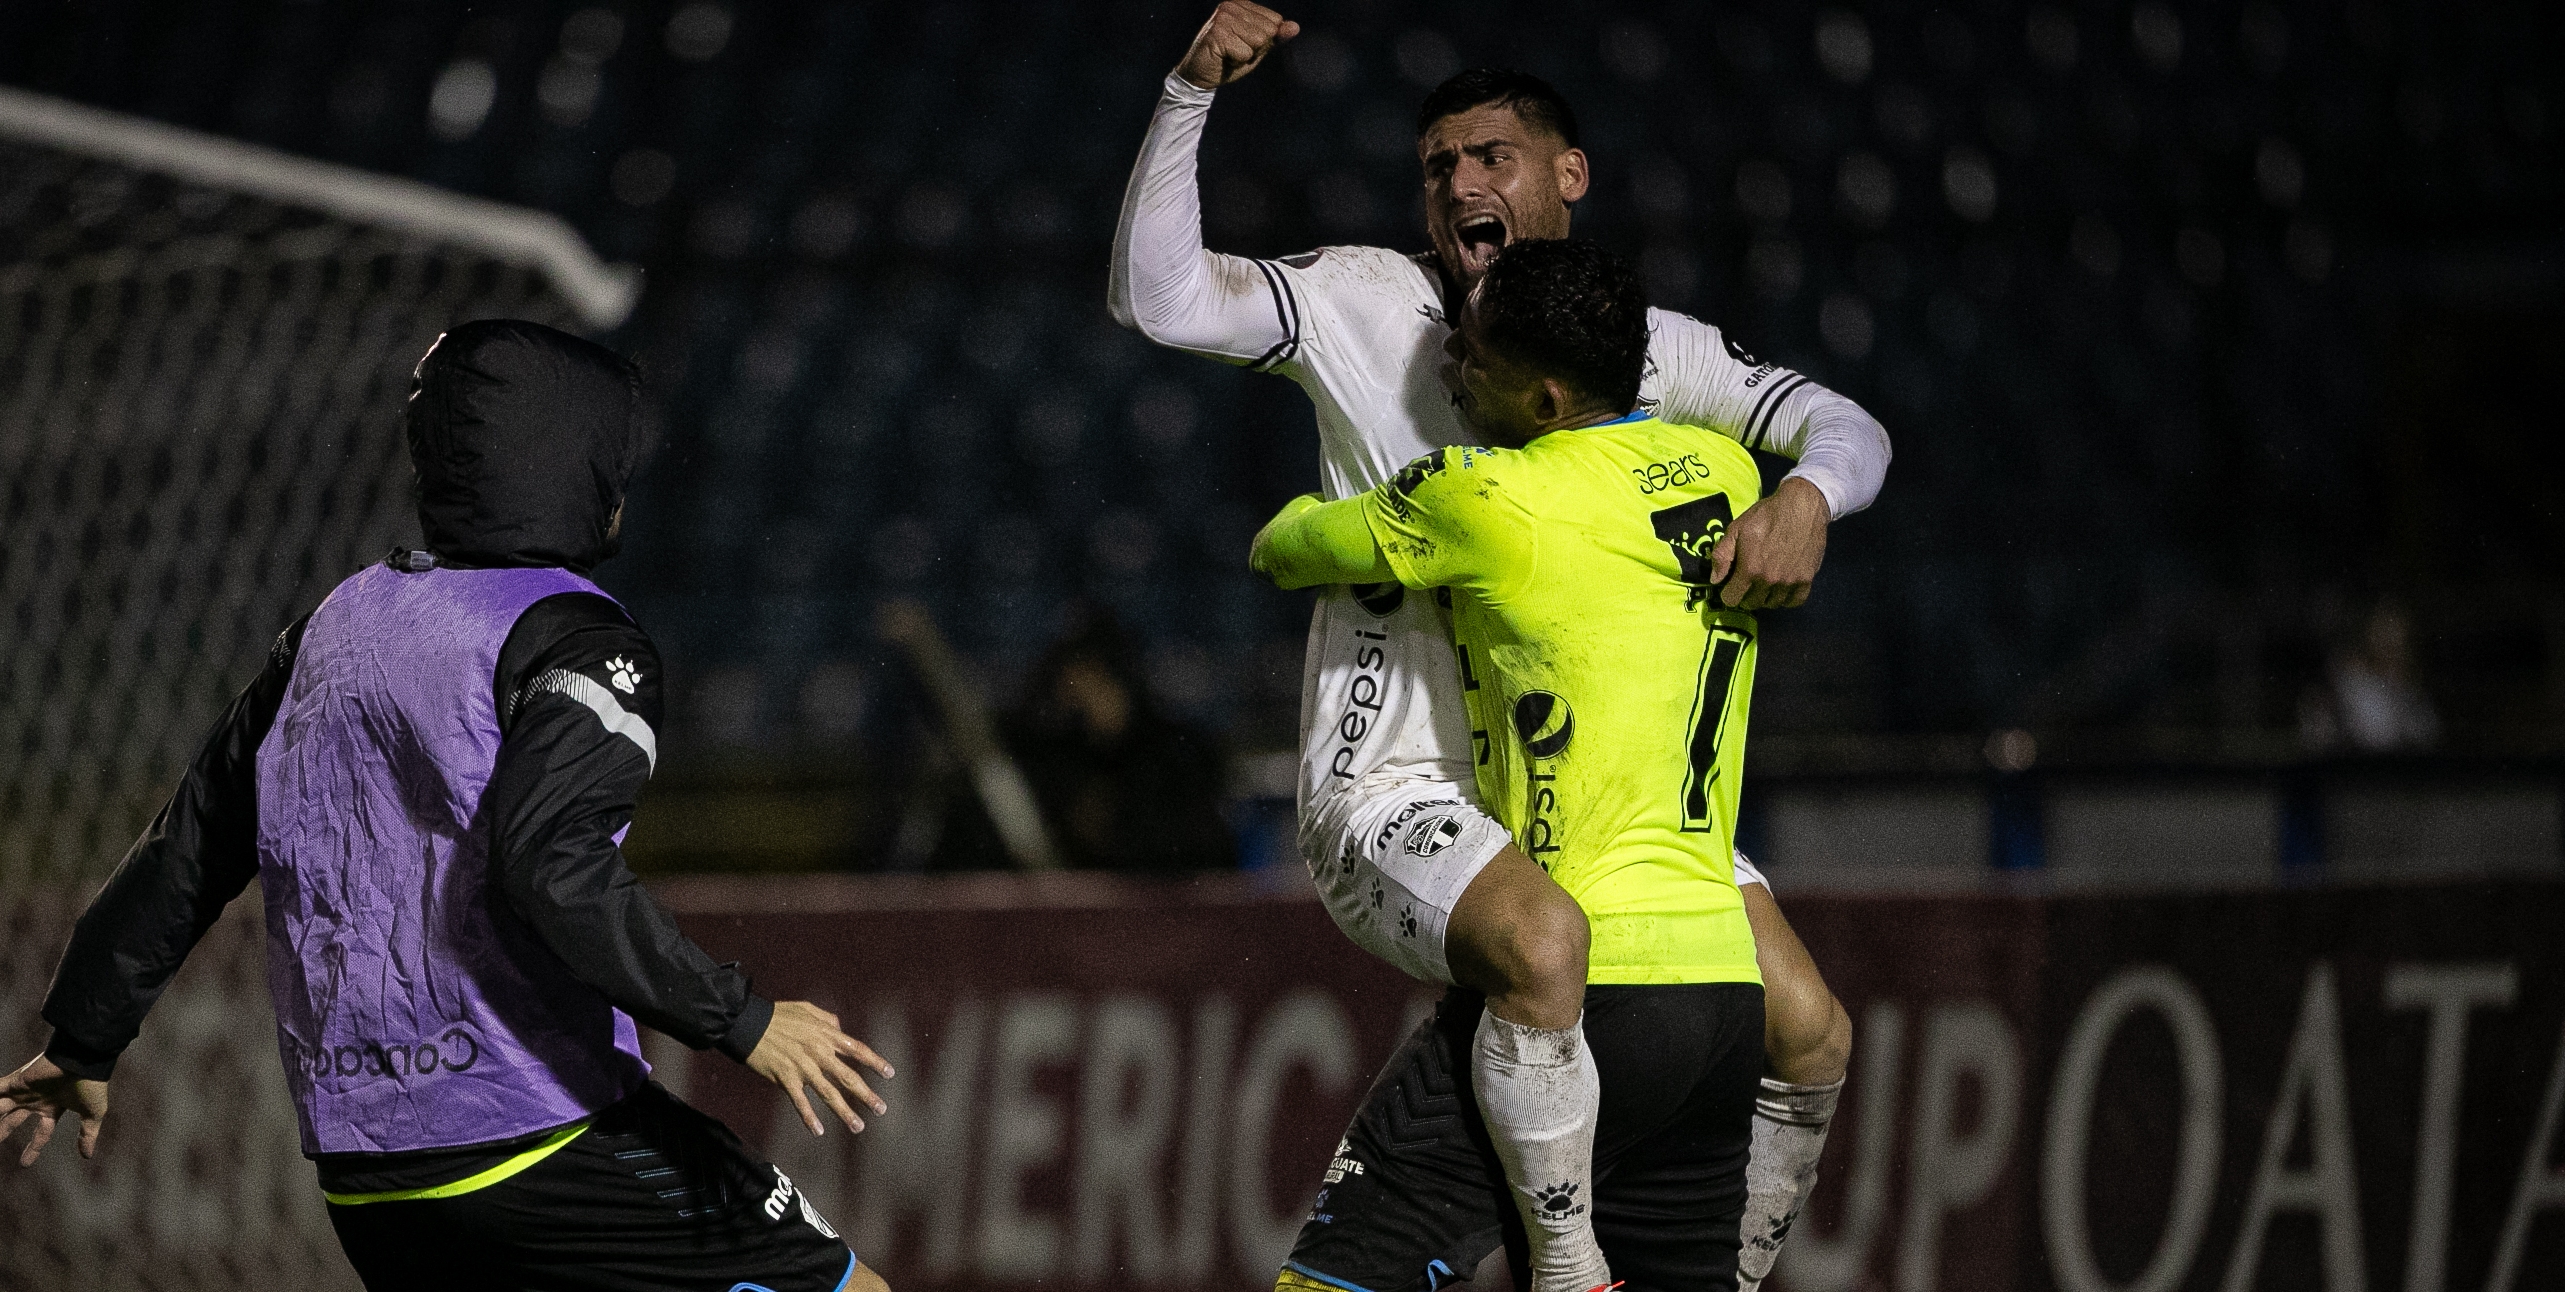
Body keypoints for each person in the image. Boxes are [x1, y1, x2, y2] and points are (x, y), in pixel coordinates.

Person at [1112, 7, 1860, 1288]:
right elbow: (1158, 295)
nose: (1458, 182)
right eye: (1436, 164)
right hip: (1403, 787)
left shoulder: (1637, 347)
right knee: (1547, 940)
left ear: (1567, 175)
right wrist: (1189, 91)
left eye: (1489, 156)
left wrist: (1810, 498)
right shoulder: (1368, 302)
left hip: (1596, 797)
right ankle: (1570, 1269)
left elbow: (1844, 422)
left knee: (1809, 1025)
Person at [0, 320, 893, 1292]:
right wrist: (741, 1017)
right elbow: (552, 863)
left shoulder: (328, 626)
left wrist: (86, 1036)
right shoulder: (580, 639)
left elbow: (191, 843)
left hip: (366, 1176)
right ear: (580, 467)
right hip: (540, 1134)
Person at [1252, 237, 1772, 1292]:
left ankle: (1567, 1266)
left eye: (1472, 356)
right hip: (1724, 995)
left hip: (1589, 993)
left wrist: (1365, 505)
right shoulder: (1727, 470)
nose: (1446, 367)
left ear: (1542, 396)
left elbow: (1285, 545)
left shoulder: (1486, 502)